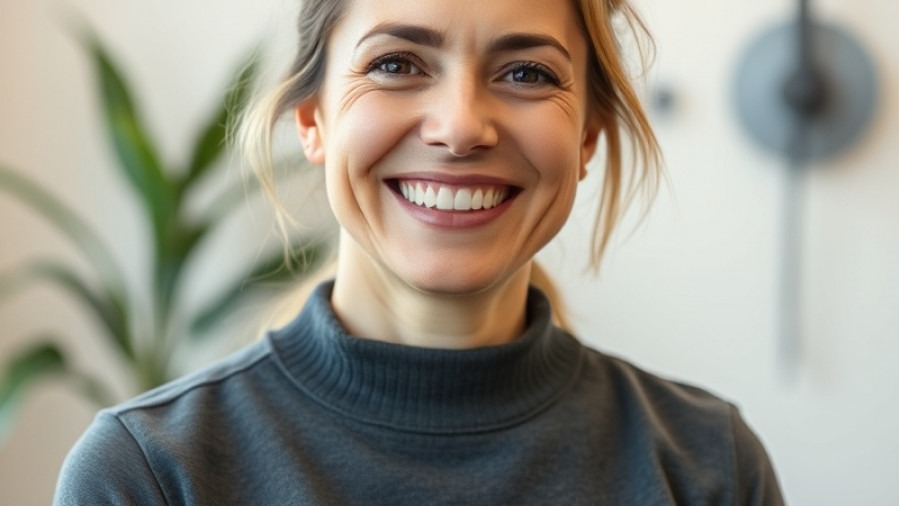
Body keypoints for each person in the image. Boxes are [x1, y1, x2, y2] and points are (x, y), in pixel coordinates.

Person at [55, 0, 785, 504]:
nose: (461, 126)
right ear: (313, 121)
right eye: (397, 64)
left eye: (526, 73)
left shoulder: (706, 466)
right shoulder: (147, 473)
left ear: (586, 138)